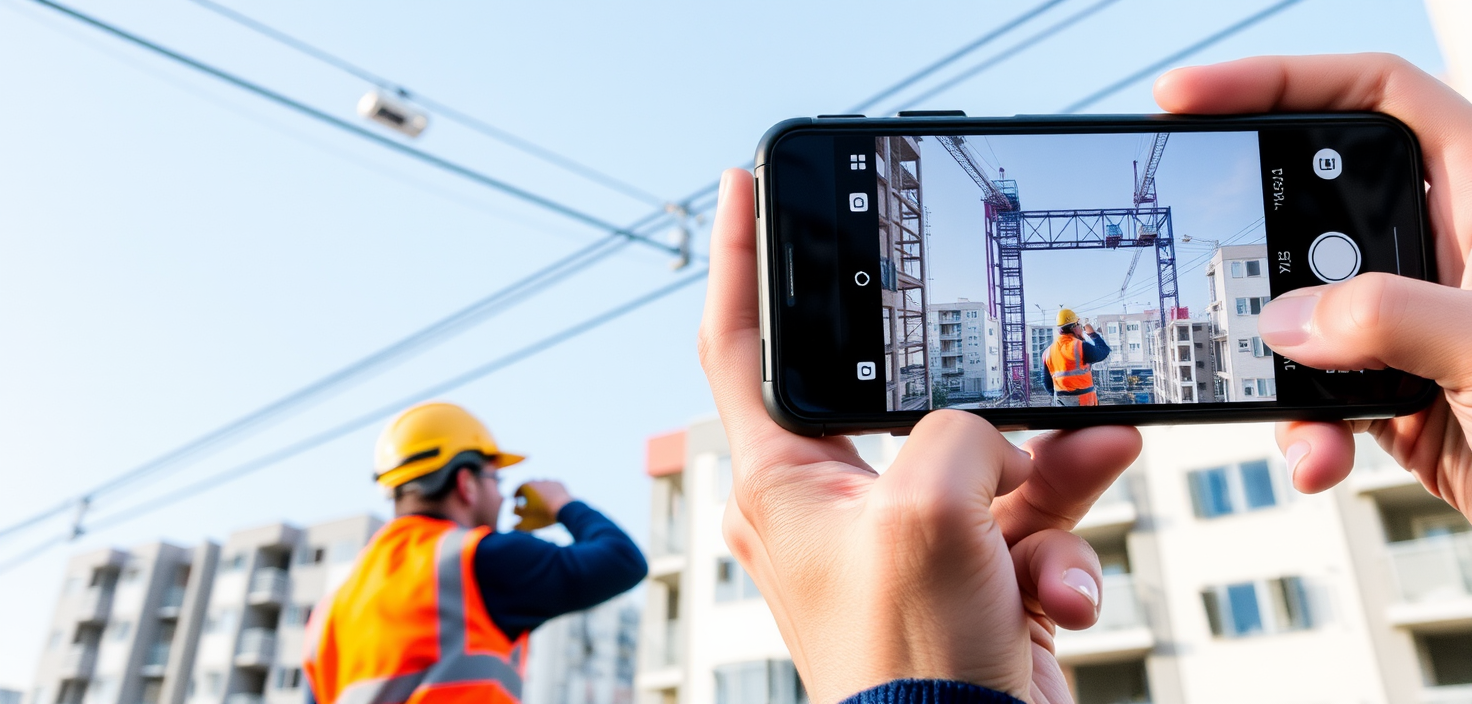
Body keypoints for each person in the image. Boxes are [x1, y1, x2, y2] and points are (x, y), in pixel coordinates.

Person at [699, 53, 1472, 704]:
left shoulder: (1059, 345)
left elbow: (1058, 366)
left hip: (1073, 405)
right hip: (1082, 401)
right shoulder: (1076, 347)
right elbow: (1087, 365)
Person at [302, 402, 647, 704]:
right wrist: (561, 503)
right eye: (495, 480)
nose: (500, 497)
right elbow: (622, 561)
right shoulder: (477, 559)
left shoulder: (329, 612)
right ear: (466, 485)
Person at [1042, 309, 1110, 406]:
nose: (1081, 329)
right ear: (1074, 327)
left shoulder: (1048, 352)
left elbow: (1046, 382)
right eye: (1079, 325)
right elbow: (1104, 352)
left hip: (1061, 402)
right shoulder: (1080, 347)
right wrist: (1092, 334)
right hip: (1084, 402)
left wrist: (1060, 395)